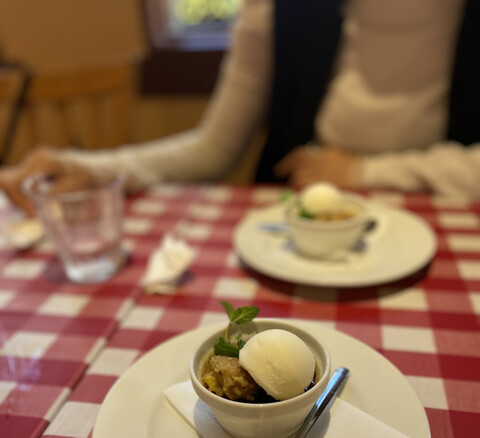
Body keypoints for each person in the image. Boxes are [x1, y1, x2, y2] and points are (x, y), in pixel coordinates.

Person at [1, 0, 480, 217]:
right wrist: (92, 168)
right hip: (292, 228)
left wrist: (363, 171)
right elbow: (213, 149)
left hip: (442, 222)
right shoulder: (273, 8)